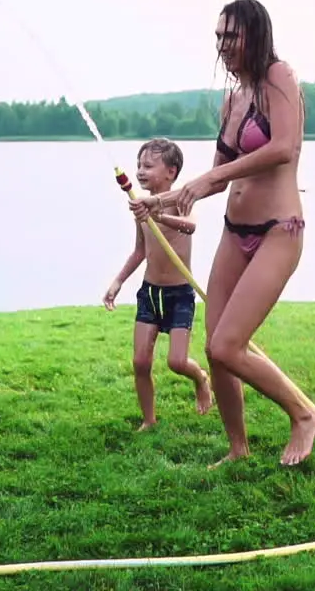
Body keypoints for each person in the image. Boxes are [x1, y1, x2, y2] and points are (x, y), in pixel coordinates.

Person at [129, 0, 315, 468]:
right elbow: (217, 175)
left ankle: (302, 415)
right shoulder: (232, 99)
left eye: (229, 36)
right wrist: (161, 201)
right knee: (216, 350)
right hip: (236, 232)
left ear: (254, 35)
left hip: (279, 229)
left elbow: (283, 148)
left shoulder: (280, 77)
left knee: (227, 344)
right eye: (217, 37)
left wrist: (208, 180)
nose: (222, 46)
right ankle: (238, 449)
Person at [104, 138, 214, 431]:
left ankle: (201, 378)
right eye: (139, 165)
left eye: (149, 166)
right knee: (140, 362)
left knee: (177, 362)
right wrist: (118, 281)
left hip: (179, 294)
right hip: (150, 293)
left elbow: (190, 226)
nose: (140, 171)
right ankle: (149, 420)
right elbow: (140, 251)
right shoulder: (140, 209)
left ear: (171, 172)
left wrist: (158, 213)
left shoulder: (182, 201)